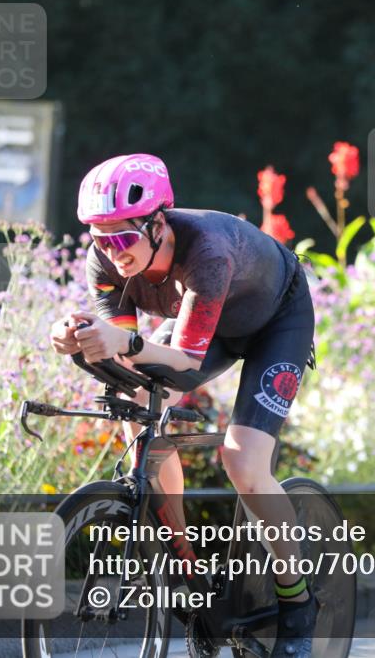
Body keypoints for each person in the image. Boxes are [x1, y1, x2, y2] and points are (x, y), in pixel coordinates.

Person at [49, 154, 317, 657]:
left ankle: (297, 603)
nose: (113, 251)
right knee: (137, 410)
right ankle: (190, 574)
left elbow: (187, 358)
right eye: (100, 237)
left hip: (275, 324)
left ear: (158, 223)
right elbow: (129, 354)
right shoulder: (105, 259)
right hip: (205, 324)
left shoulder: (207, 251)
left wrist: (123, 345)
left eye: (123, 237)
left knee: (243, 460)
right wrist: (75, 338)